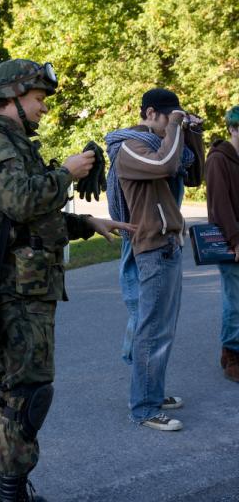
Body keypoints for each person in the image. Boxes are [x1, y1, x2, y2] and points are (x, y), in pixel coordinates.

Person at [0, 58, 135, 502]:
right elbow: (21, 202)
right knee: (28, 393)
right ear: (13, 97)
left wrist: (86, 223)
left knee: (11, 391)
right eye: (38, 98)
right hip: (17, 289)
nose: (43, 107)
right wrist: (67, 173)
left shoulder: (12, 143)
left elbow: (25, 222)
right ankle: (11, 492)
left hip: (24, 285)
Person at [106, 88, 189, 431]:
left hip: (169, 244)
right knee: (151, 331)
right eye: (168, 117)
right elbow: (166, 164)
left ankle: (152, 392)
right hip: (151, 248)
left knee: (163, 331)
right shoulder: (128, 147)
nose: (171, 124)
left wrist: (187, 130)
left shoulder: (159, 141)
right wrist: (175, 127)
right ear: (151, 113)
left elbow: (187, 166)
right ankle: (144, 407)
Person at [205, 105, 239, 383]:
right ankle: (232, 355)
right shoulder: (219, 159)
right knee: (235, 299)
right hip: (230, 242)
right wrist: (236, 240)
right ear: (232, 128)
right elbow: (220, 206)